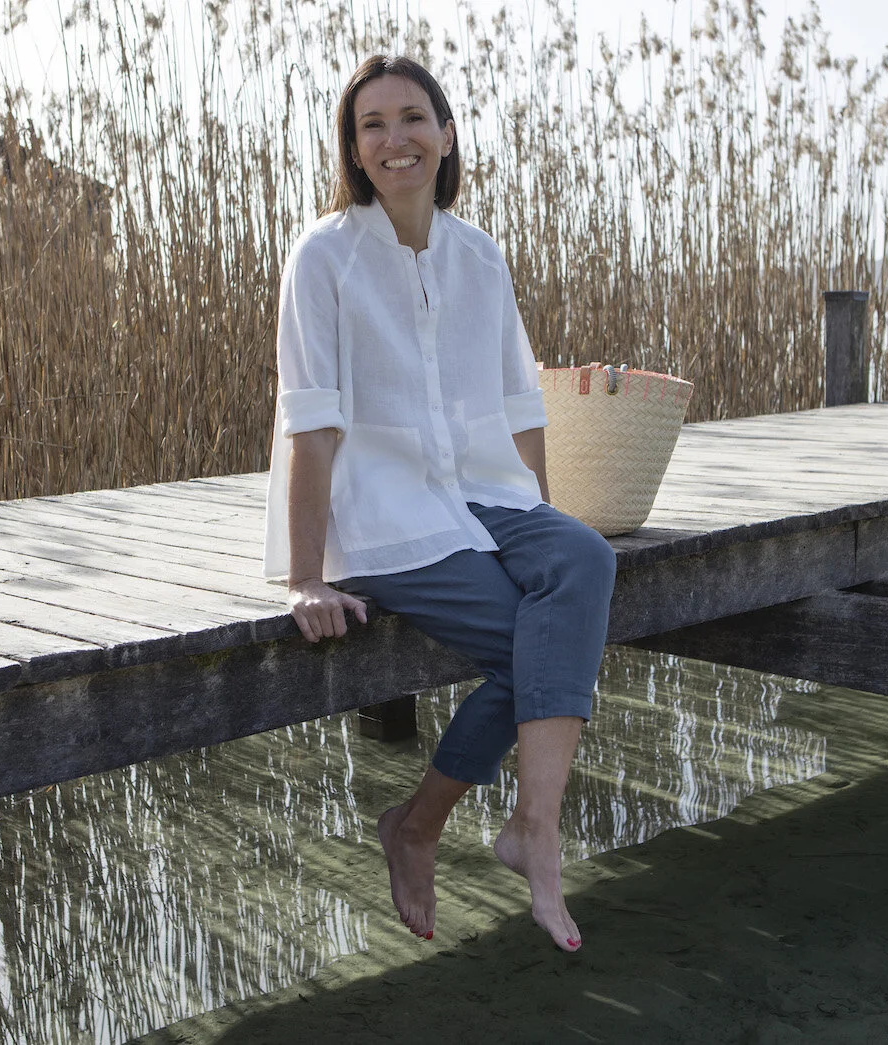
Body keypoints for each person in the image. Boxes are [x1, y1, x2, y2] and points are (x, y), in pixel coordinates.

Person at [261, 54, 617, 953]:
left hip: (483, 493)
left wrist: (540, 529)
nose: (396, 138)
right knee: (531, 651)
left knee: (584, 556)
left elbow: (520, 406)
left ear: (447, 134)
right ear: (353, 149)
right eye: (372, 124)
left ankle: (527, 825)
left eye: (413, 117)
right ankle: (427, 827)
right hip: (383, 512)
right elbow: (311, 426)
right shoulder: (323, 257)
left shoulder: (480, 256)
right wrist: (305, 576)